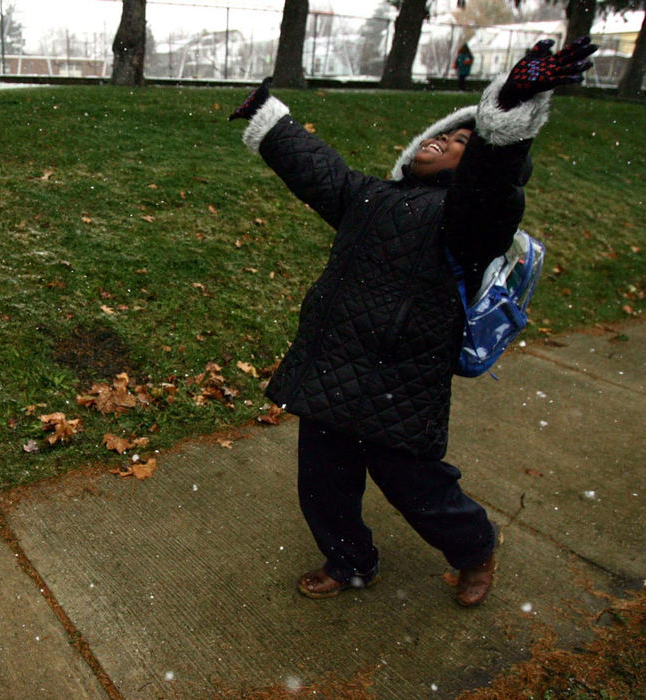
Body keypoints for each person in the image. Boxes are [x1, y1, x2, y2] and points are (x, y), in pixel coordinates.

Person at [230, 37, 596, 606]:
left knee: (417, 488)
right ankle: (350, 561)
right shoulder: (370, 196)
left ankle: (475, 548)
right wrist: (269, 118)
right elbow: (319, 171)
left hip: (402, 383)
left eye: (458, 143)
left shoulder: (469, 223)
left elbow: (491, 186)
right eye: (440, 133)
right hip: (333, 368)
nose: (440, 140)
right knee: (322, 486)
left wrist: (506, 118)